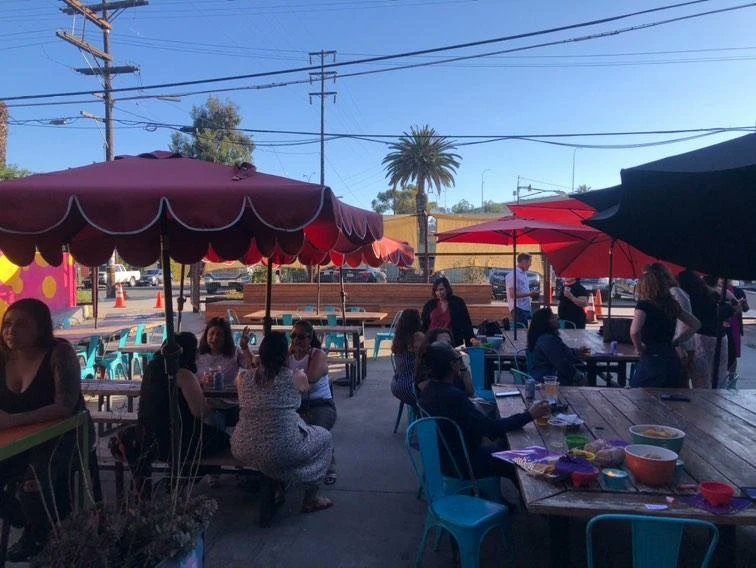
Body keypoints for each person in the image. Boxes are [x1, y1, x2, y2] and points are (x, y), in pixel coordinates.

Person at [0, 299, 90, 561]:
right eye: (7, 324)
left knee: (35, 478)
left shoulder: (59, 353)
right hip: (18, 439)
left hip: (67, 434)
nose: (10, 331)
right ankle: (27, 518)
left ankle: (41, 537)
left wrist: (12, 421)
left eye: (20, 324)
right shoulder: (2, 357)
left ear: (40, 327)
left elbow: (65, 406)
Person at [417, 342, 550, 481]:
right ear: (452, 365)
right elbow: (490, 428)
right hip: (464, 463)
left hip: (442, 460)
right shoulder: (453, 397)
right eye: (459, 360)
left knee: (504, 445)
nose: (462, 364)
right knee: (519, 462)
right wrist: (529, 415)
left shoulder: (429, 391)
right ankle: (528, 500)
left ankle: (498, 497)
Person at [231, 332, 333, 513]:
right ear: (285, 353)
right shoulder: (296, 376)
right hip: (282, 447)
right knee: (324, 437)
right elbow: (305, 390)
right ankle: (311, 498)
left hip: (242, 446)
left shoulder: (243, 378)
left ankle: (277, 485)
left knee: (273, 450)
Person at [139, 332, 230, 465]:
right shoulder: (182, 374)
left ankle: (179, 478)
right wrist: (213, 404)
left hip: (148, 438)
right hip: (176, 440)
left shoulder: (151, 369)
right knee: (223, 439)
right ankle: (185, 478)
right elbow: (200, 412)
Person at [630, 270, 700, 388]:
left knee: (641, 396)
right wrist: (677, 340)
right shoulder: (672, 305)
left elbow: (634, 331)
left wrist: (639, 347)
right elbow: (695, 324)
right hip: (671, 357)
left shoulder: (644, 305)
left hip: (652, 357)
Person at [287, 320, 337, 485]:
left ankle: (328, 464)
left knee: (317, 431)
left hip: (320, 404)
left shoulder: (317, 355)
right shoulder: (288, 355)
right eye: (293, 335)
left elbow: (310, 379)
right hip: (296, 405)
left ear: (310, 338)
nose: (296, 340)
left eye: (301, 336)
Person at [645, 263, 696, 387]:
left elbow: (683, 323)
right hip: (685, 346)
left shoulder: (673, 294)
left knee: (678, 385)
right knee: (680, 383)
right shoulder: (679, 292)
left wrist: (676, 340)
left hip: (680, 347)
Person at [678, 270, 727, 388]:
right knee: (718, 381)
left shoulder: (686, 297)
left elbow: (689, 324)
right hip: (720, 337)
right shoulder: (706, 293)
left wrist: (678, 343)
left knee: (701, 383)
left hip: (701, 337)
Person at [527, 307, 587, 386]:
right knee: (585, 380)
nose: (557, 318)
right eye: (553, 317)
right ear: (546, 323)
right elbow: (562, 363)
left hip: (545, 378)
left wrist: (577, 352)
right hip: (547, 381)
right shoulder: (548, 340)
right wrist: (578, 376)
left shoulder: (547, 337)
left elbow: (564, 351)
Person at [196, 317, 254, 388]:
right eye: (211, 333)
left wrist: (245, 347)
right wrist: (202, 382)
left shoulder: (235, 352)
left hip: (228, 396)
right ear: (206, 335)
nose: (215, 338)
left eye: (219, 335)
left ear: (226, 338)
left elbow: (251, 366)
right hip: (202, 396)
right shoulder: (197, 354)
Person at [415, 328, 474, 397]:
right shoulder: (428, 372)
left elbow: (470, 391)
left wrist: (462, 366)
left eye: (449, 343)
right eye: (442, 343)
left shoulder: (452, 366)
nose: (447, 346)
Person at [420, 277, 476, 347]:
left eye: (441, 289)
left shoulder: (458, 302)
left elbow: (466, 323)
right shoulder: (429, 304)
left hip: (451, 342)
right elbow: (423, 325)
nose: (439, 293)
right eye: (436, 290)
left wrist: (471, 339)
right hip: (431, 342)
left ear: (447, 288)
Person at [391, 309, 425, 405]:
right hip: (411, 388)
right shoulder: (417, 337)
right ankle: (428, 417)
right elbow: (429, 353)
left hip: (397, 385)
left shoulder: (399, 338)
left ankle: (419, 414)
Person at [505, 253, 539, 326]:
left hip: (525, 309)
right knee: (522, 332)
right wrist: (530, 294)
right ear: (523, 262)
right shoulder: (513, 275)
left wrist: (532, 294)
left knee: (528, 330)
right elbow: (513, 294)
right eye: (530, 262)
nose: (530, 264)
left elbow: (523, 291)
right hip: (518, 309)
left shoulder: (524, 273)